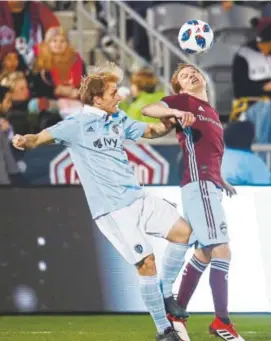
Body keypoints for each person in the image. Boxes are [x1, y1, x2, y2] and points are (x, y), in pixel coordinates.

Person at [12, 62, 196, 341]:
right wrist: (25, 139)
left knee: (184, 232)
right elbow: (39, 139)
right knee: (146, 262)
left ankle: (166, 293)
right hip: (113, 210)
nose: (120, 96)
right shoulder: (75, 125)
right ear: (97, 99)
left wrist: (168, 123)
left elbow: (151, 132)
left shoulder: (118, 119)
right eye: (114, 93)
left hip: (138, 197)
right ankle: (163, 331)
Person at [142, 63, 244, 341]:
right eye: (185, 76)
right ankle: (222, 321)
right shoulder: (184, 102)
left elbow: (209, 151)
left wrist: (219, 178)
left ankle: (176, 312)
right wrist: (174, 111)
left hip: (208, 184)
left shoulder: (211, 112)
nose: (193, 75)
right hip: (198, 186)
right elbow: (148, 109)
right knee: (221, 249)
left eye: (194, 72)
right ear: (181, 88)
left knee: (205, 251)